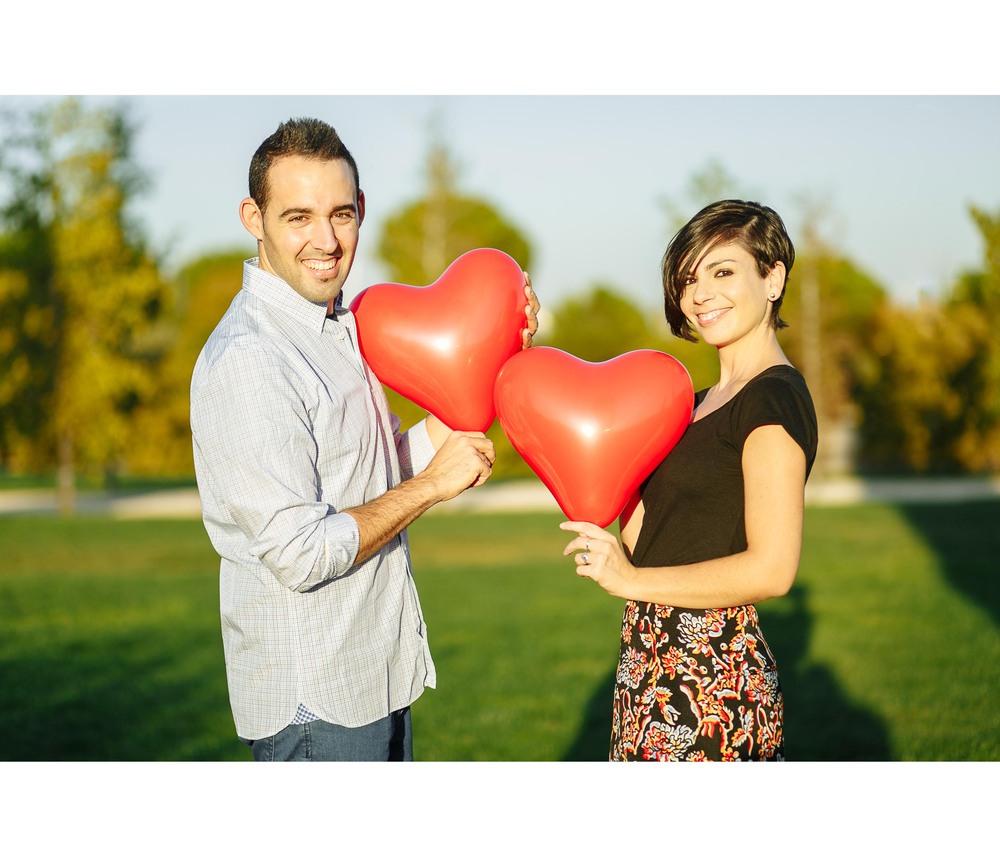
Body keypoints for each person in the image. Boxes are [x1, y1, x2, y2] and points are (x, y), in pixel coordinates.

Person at [190, 117, 539, 761]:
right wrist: (432, 488)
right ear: (253, 216)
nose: (325, 240)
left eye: (341, 214)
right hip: (315, 705)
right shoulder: (251, 360)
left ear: (361, 212)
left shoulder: (340, 331)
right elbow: (300, 553)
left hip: (374, 678)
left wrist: (499, 344)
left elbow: (377, 472)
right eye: (298, 216)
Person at [561, 199, 817, 761]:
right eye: (688, 279)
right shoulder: (693, 405)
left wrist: (630, 582)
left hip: (712, 685)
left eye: (723, 271)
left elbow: (772, 570)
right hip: (647, 666)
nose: (700, 294)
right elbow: (647, 544)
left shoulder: (772, 399)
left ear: (772, 277)